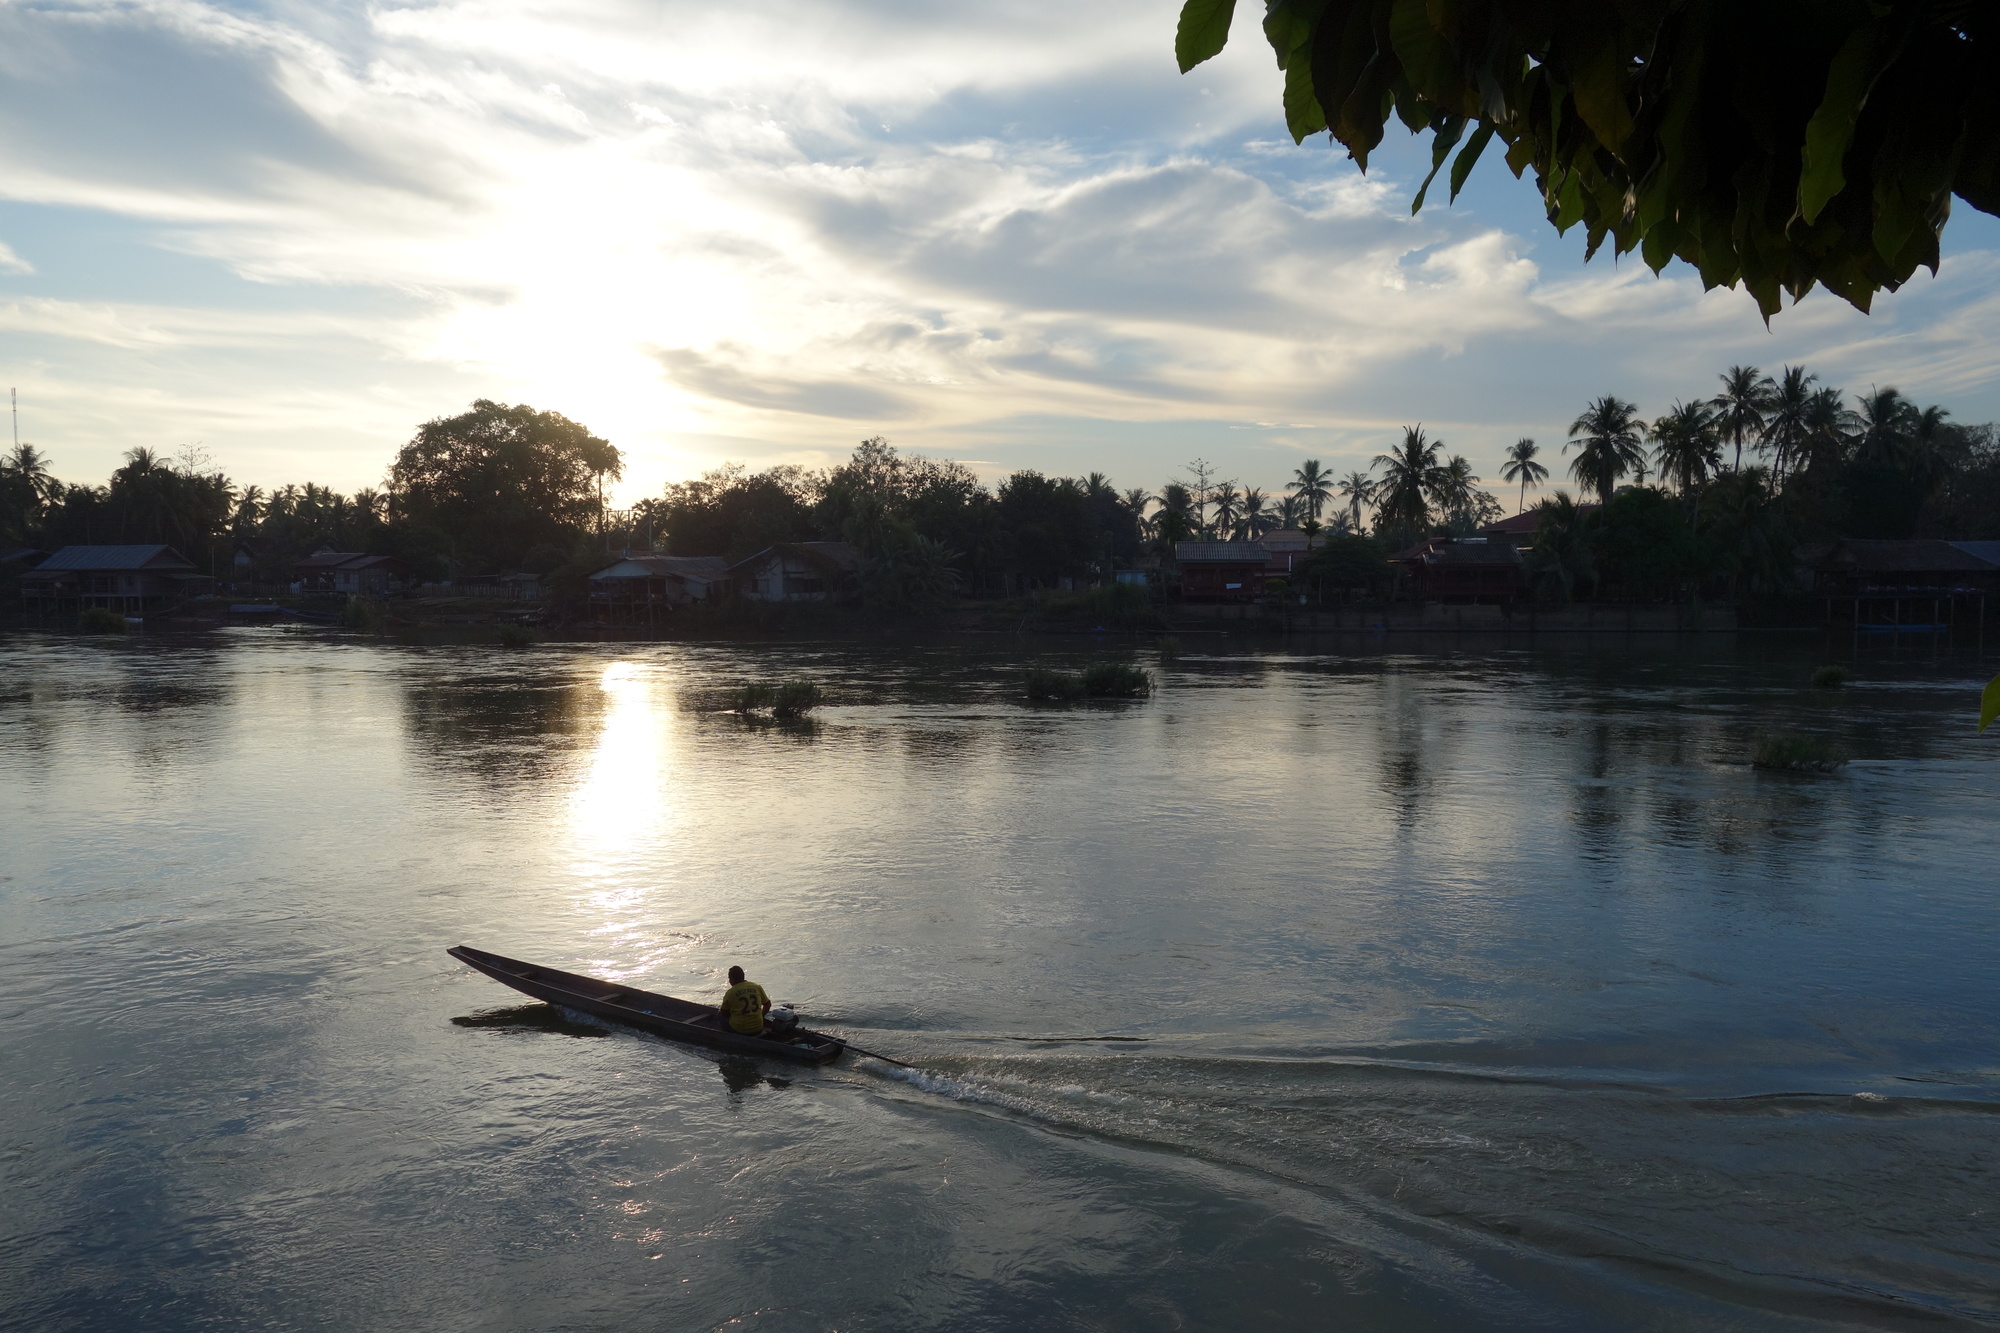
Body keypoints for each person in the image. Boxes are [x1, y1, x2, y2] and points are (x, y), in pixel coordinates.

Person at [719, 965, 770, 1036]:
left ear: (732, 979)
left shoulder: (731, 992)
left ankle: (726, 1035)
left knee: (720, 1015)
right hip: (758, 1028)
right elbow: (767, 1004)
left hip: (740, 1031)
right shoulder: (756, 987)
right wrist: (761, 1015)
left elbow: (724, 1012)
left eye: (729, 979)